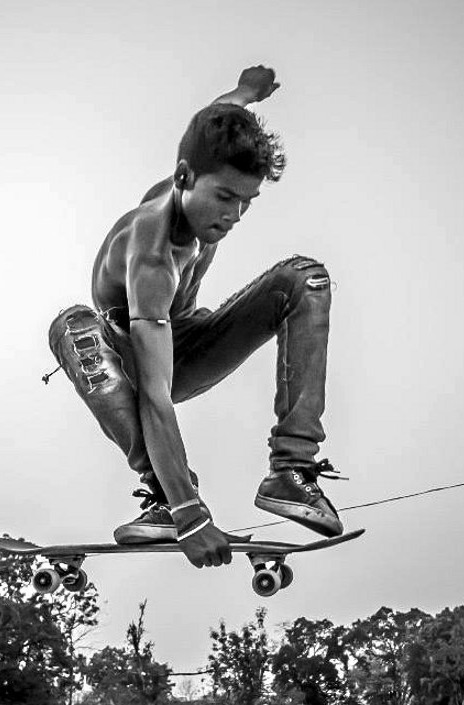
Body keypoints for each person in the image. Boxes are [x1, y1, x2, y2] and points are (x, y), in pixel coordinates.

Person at [48, 65, 344, 569]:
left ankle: (290, 470)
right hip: (127, 362)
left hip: (186, 340)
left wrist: (247, 92)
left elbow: (216, 115)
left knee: (304, 279)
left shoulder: (202, 164)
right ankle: (166, 498)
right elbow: (156, 395)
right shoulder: (151, 255)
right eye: (224, 198)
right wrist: (190, 514)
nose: (233, 216)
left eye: (246, 202)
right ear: (183, 178)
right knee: (73, 326)